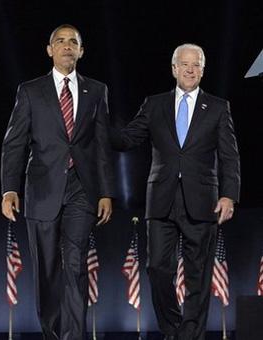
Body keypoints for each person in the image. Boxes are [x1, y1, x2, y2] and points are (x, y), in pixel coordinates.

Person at [111, 44, 240, 340]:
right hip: (161, 201)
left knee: (199, 275)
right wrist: (98, 125)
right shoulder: (154, 104)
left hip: (203, 201)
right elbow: (128, 138)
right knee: (157, 267)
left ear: (203, 70)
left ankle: (190, 335)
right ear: (174, 68)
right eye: (184, 64)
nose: (190, 69)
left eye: (196, 65)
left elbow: (230, 156)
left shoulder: (218, 107)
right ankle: (172, 329)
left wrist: (228, 195)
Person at [1, 24, 115, 340]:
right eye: (60, 41)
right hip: (41, 191)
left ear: (81, 51)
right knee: (48, 271)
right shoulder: (30, 91)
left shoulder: (97, 90)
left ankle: (73, 336)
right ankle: (52, 333)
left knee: (76, 266)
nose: (67, 46)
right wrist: (9, 188)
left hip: (82, 189)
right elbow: (14, 143)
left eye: (73, 42)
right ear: (50, 50)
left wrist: (106, 191)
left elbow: (102, 145)